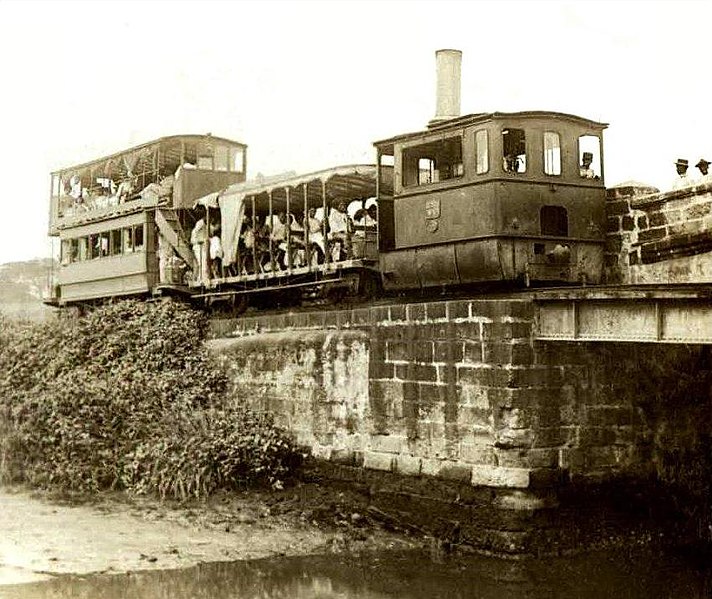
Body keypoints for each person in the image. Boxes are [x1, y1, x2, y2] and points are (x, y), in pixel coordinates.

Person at [190, 215, 208, 283]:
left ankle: (201, 277)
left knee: (203, 262)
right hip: (198, 245)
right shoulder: (200, 223)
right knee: (202, 262)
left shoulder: (205, 224)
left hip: (201, 245)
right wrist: (197, 241)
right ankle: (202, 279)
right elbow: (194, 232)